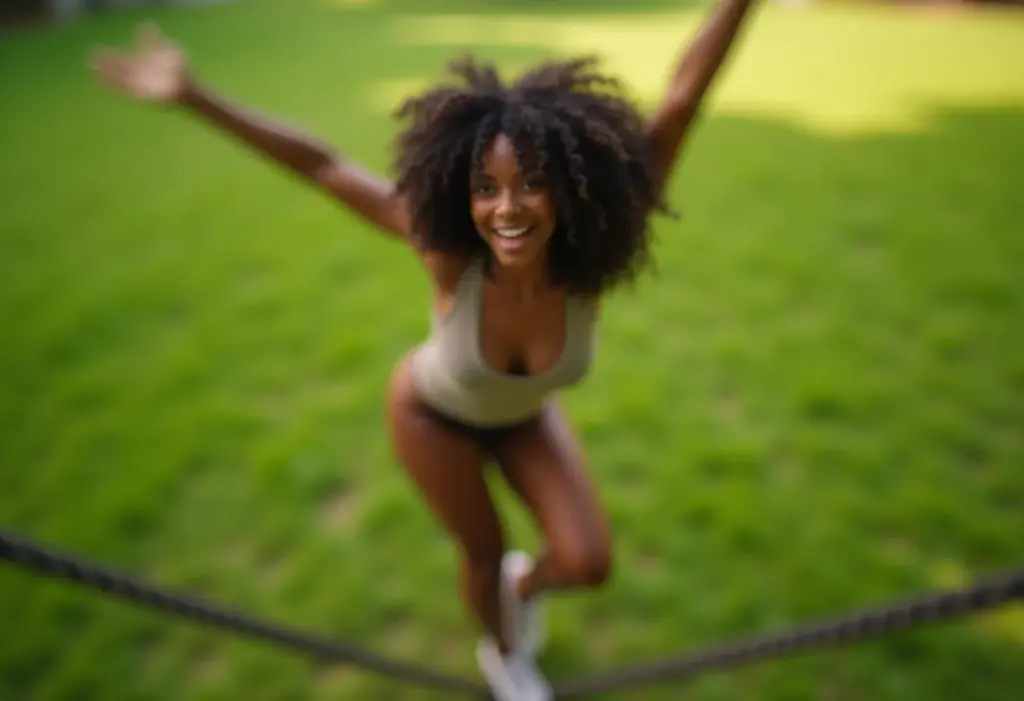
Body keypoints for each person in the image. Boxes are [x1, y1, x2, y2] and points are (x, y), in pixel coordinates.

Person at [90, 2, 758, 698]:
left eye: (532, 183)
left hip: (523, 415)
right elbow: (323, 165)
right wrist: (198, 98)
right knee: (483, 546)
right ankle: (505, 658)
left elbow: (682, 98)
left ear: (573, 184)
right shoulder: (449, 254)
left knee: (588, 560)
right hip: (431, 415)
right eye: (485, 188)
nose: (507, 208)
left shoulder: (590, 258)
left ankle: (521, 587)